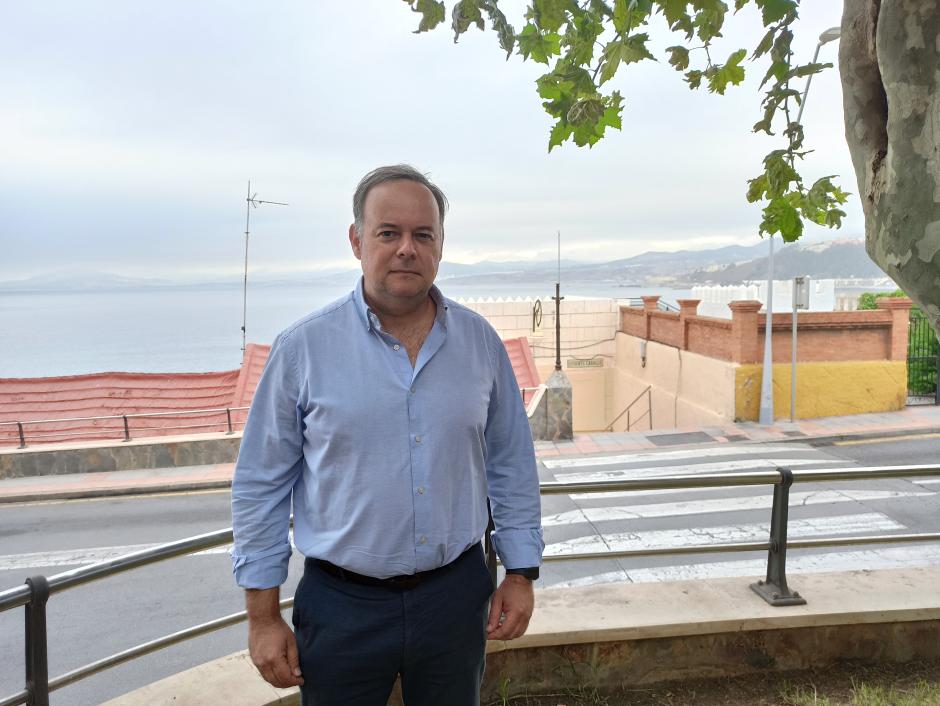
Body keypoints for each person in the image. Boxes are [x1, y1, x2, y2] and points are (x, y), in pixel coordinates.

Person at [231, 164, 544, 706]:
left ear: (441, 245)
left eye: (423, 234)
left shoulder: (480, 344)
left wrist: (520, 573)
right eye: (388, 233)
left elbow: (512, 464)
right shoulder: (302, 349)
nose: (407, 248)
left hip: (455, 598)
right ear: (357, 241)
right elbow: (260, 485)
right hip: (341, 606)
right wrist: (262, 617)